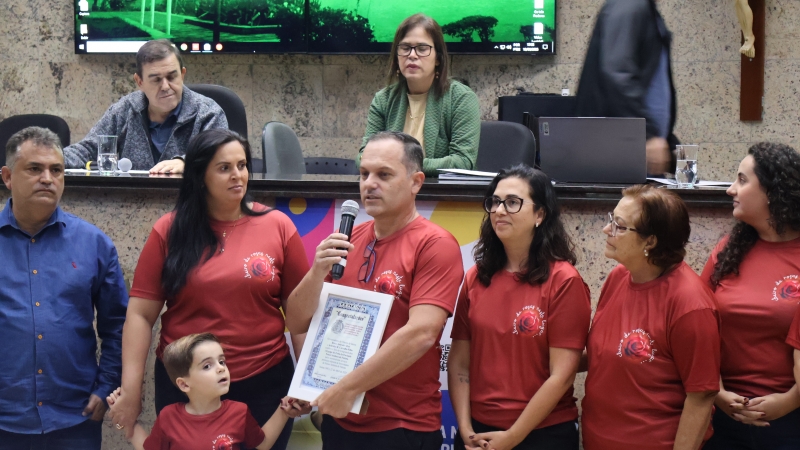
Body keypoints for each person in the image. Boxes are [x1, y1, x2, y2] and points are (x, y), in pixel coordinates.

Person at [108, 129, 309, 450]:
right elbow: (140, 316)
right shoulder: (169, 230)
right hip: (187, 388)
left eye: (242, 165)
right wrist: (131, 393)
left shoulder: (278, 226)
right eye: (224, 168)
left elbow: (301, 316)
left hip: (264, 383)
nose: (237, 175)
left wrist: (307, 383)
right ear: (200, 176)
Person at [285, 131, 465, 449]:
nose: (369, 184)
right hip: (341, 418)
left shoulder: (435, 244)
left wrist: (346, 388)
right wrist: (316, 272)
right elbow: (297, 322)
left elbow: (421, 334)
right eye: (364, 173)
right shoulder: (348, 238)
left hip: (401, 425)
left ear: (416, 182)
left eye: (383, 174)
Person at [0, 126, 128, 449]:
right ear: (7, 177)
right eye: (34, 169)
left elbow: (119, 326)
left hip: (75, 419)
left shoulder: (94, 244)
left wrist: (107, 386)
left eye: (56, 170)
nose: (47, 178)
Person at [448, 165, 591, 450]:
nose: (499, 211)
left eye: (512, 202)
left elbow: (562, 376)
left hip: (542, 433)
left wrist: (513, 437)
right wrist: (465, 429)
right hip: (478, 431)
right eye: (495, 202)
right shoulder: (476, 277)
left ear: (540, 214)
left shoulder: (564, 280)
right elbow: (460, 363)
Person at [581, 185, 720, 450]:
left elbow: (702, 396)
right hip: (598, 439)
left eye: (620, 226)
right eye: (611, 220)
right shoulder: (619, 277)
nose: (607, 230)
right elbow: (604, 354)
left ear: (650, 241)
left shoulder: (691, 304)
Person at [701, 142, 800, 449]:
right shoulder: (728, 250)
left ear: (772, 192)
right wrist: (717, 393)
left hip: (790, 418)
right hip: (722, 412)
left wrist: (789, 402)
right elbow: (698, 326)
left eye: (742, 180)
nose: (730, 189)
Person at [107, 333, 311, 450]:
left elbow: (262, 443)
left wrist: (284, 411)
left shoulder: (239, 412)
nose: (221, 368)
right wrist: (127, 423)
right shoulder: (169, 417)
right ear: (184, 384)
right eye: (207, 366)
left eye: (222, 361)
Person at [64, 39, 228, 173]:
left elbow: (222, 157)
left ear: (182, 74)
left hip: (190, 201)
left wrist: (186, 162)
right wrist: (53, 158)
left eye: (172, 77)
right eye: (156, 80)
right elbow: (86, 150)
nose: (165, 86)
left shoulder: (208, 113)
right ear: (139, 81)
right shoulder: (125, 109)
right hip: (133, 201)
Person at [359, 14, 481, 177]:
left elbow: (463, 162)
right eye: (405, 48)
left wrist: (403, 165)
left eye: (422, 48)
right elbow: (363, 156)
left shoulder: (461, 98)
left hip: (439, 191)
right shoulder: (383, 99)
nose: (412, 55)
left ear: (438, 58)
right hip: (391, 189)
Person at [575, 0, 678, 176]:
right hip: (623, 148)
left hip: (640, 148)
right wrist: (648, 134)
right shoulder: (629, 5)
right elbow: (617, 74)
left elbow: (654, 84)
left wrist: (667, 141)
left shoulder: (646, 10)